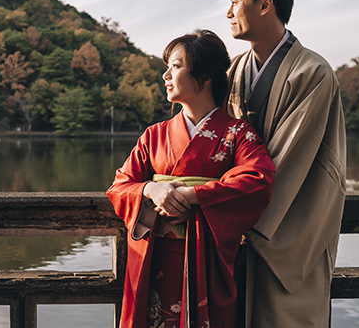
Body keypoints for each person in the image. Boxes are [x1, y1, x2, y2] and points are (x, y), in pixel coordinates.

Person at [107, 30, 275, 328]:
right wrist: (151, 190)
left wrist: (196, 195)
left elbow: (258, 179)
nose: (165, 75)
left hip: (207, 259)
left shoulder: (237, 134)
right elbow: (120, 187)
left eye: (175, 65)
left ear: (205, 75)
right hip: (155, 260)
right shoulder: (154, 135)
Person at [223, 0, 346, 328]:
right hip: (239, 229)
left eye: (235, 0)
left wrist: (219, 206)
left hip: (289, 237)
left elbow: (283, 166)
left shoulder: (312, 73)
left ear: (265, 4)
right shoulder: (235, 70)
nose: (228, 12)